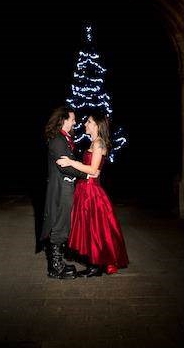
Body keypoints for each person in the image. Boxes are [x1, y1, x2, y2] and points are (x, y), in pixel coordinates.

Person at [57, 112, 129, 277]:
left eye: (88, 122)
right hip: (84, 189)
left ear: (96, 125)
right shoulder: (94, 143)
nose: (85, 124)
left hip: (91, 192)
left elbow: (93, 170)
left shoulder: (99, 144)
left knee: (94, 229)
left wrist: (71, 162)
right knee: (88, 228)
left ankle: (95, 266)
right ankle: (94, 264)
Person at [40, 105, 98, 279]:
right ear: (64, 120)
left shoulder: (63, 139)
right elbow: (64, 167)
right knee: (60, 225)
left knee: (63, 224)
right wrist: (87, 174)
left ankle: (57, 263)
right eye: (72, 119)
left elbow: (69, 164)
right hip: (61, 189)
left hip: (65, 187)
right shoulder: (58, 139)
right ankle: (55, 267)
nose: (75, 122)